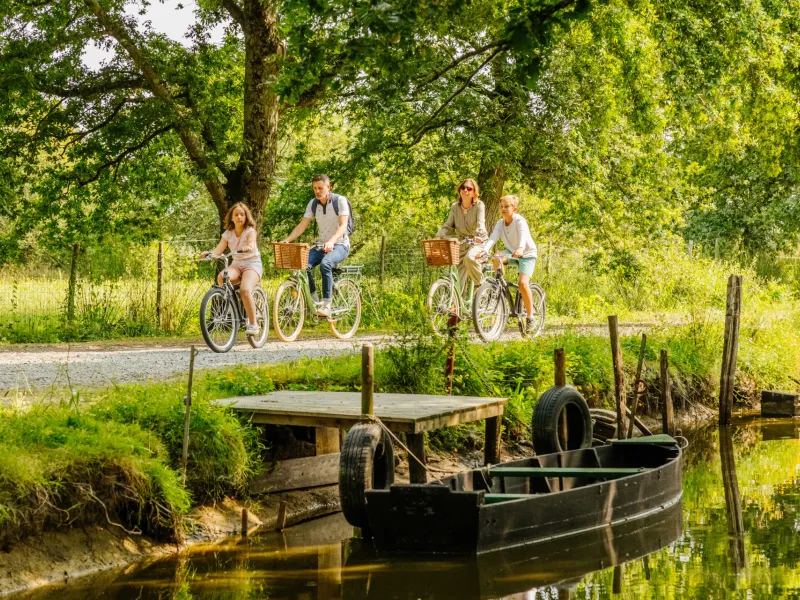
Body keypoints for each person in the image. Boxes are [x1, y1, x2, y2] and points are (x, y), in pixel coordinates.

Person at [281, 174, 351, 319]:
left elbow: (343, 225)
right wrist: (287, 240)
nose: (317, 191)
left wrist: (332, 241)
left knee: (325, 264)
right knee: (303, 266)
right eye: (315, 188)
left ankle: (327, 305)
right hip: (322, 245)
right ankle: (315, 301)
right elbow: (302, 225)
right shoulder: (313, 203)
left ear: (328, 187)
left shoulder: (340, 201)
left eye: (320, 188)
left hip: (340, 244)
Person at [201, 202, 263, 335]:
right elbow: (218, 250)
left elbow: (252, 243)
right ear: (232, 218)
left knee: (245, 290)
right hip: (236, 265)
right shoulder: (228, 234)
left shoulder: (250, 231)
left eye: (242, 214)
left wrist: (249, 247)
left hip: (252, 264)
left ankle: (253, 324)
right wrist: (209, 254)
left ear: (246, 217)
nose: (239, 217)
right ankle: (233, 305)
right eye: (236, 215)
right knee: (221, 277)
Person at [482, 194, 538, 330]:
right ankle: (500, 286)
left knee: (523, 283)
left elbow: (523, 235)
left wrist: (520, 248)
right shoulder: (500, 224)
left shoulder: (520, 221)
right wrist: (484, 250)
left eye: (506, 206)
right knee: (496, 257)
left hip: (527, 254)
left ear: (514, 209)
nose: (503, 209)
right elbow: (492, 238)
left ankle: (530, 318)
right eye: (501, 206)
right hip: (512, 251)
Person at [435, 178, 487, 290]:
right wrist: (439, 235)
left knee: (470, 258)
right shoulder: (455, 207)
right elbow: (448, 226)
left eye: (469, 188)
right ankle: (456, 305)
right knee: (455, 278)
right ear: (460, 190)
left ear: (474, 192)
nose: (465, 190)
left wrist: (478, 235)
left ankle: (480, 284)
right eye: (463, 188)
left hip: (477, 243)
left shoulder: (479, 205)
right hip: (461, 244)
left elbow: (481, 223)